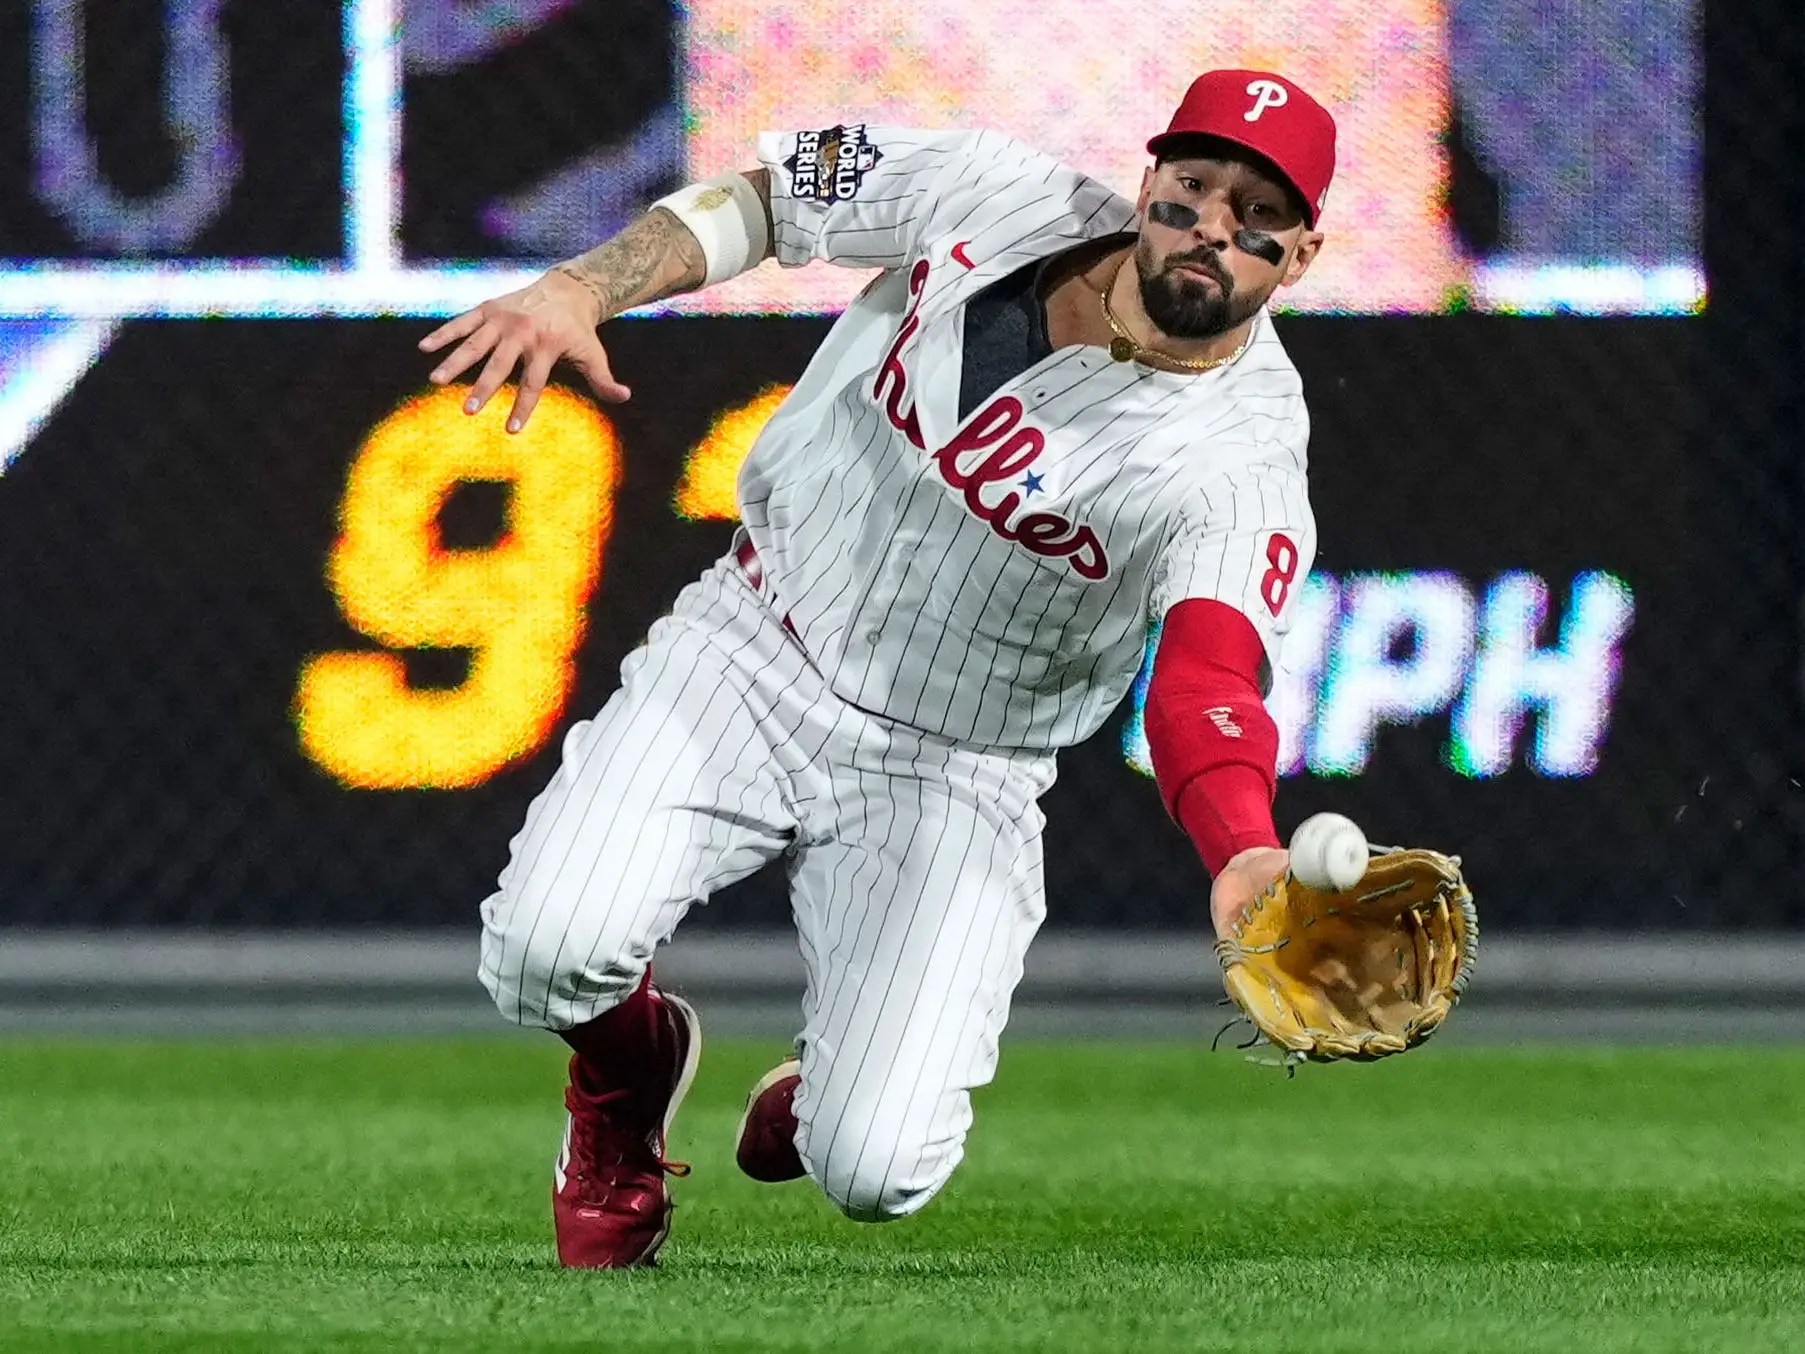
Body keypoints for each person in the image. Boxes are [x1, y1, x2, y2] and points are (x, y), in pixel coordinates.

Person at [419, 68, 1335, 1268]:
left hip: (959, 766)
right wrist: (581, 287)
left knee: (876, 1171)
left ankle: (836, 1085)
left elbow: (1203, 683)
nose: (1212, 223)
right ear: (1149, 179)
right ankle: (627, 1077)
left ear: (1300, 254)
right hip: (754, 647)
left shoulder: (1242, 460)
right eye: (1194, 184)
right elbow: (767, 201)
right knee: (541, 952)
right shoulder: (988, 191)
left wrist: (1244, 853)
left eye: (1256, 210)